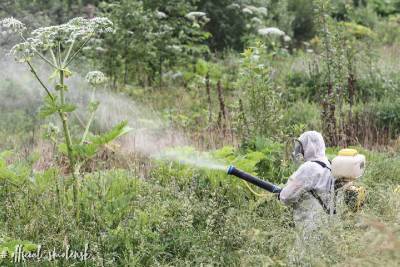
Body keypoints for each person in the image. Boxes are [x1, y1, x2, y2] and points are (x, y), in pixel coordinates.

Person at [278, 131, 335, 231]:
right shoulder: (328, 164)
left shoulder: (309, 168)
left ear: (308, 147)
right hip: (327, 225)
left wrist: (279, 194)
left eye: (301, 147)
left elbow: (286, 197)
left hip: (310, 227)